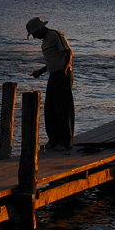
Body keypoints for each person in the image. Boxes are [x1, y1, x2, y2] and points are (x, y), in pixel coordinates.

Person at [26, 17, 74, 151]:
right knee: (50, 109)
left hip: (62, 75)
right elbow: (51, 62)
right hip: (54, 75)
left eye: (34, 34)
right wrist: (40, 71)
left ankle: (65, 142)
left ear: (40, 29)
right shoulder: (45, 41)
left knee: (63, 109)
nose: (34, 37)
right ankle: (54, 140)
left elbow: (68, 52)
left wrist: (64, 70)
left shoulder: (54, 35)